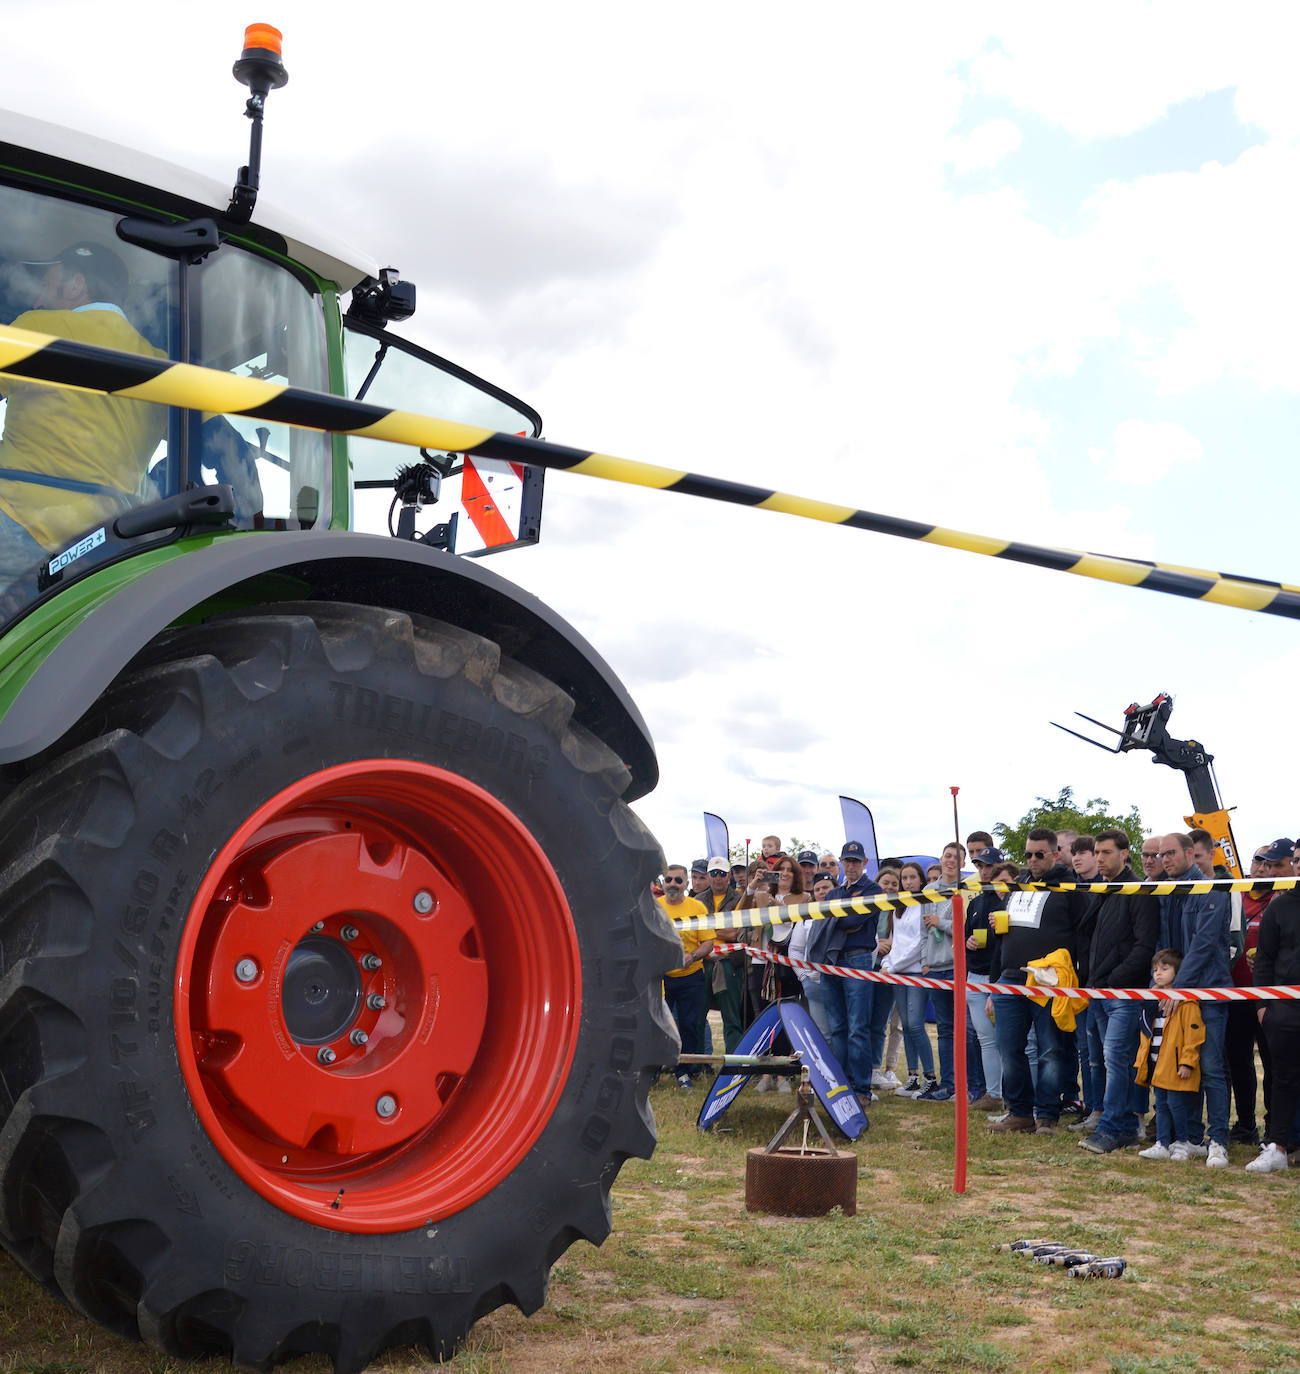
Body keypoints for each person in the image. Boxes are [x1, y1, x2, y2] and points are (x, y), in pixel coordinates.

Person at [0, 242, 166, 582]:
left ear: (76, 285)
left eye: (45, 286)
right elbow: (224, 443)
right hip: (101, 548)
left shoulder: (40, 324)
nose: (38, 299)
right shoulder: (162, 366)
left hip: (17, 524)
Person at [987, 827, 1091, 1134]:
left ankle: (1047, 1115)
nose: (1032, 860)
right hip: (1010, 978)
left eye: (1039, 854)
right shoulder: (1018, 886)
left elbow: (1082, 931)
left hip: (1048, 980)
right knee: (1009, 1049)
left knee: (1050, 1049)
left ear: (1056, 853)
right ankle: (1019, 1112)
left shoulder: (1070, 886)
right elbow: (1004, 938)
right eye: (1028, 854)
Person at [1077, 829, 1160, 1154]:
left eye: (1106, 852)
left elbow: (1144, 946)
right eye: (1097, 852)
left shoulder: (1138, 891)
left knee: (1117, 1061)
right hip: (1099, 992)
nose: (1099, 858)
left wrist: (1112, 981)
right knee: (1110, 1061)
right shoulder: (1105, 890)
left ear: (1125, 853)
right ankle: (1122, 1126)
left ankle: (1113, 1129)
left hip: (1123, 994)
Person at [1158, 832, 1232, 1167]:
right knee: (1182, 1069)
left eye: (1171, 853)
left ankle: (1219, 1140)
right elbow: (1167, 946)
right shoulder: (1169, 892)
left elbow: (1202, 945)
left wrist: (1179, 988)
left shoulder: (1209, 889)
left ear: (1191, 853)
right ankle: (1189, 1138)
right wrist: (1162, 982)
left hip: (1207, 992)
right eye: (1162, 855)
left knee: (1212, 1069)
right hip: (1179, 993)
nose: (1165, 860)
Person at [804, 840, 881, 1107]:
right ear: (841, 863)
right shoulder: (836, 893)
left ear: (865, 863)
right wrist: (841, 919)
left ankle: (862, 1088)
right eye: (847, 861)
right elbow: (839, 921)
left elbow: (851, 921)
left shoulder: (874, 890)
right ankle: (842, 1083)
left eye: (856, 861)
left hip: (857, 959)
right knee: (837, 1027)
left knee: (857, 1027)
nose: (851, 865)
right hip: (831, 960)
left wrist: (837, 920)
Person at [1245, 881, 1300, 1172]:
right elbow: (1264, 958)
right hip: (1284, 1009)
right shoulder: (1279, 906)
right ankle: (1278, 1148)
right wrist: (1263, 1007)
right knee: (1283, 1079)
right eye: (1298, 860)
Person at [1135, 949, 1207, 1161]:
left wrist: (1187, 1062)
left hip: (1175, 1067)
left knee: (1176, 1105)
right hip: (1158, 1066)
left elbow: (1194, 1036)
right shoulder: (1154, 1002)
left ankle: (1183, 1143)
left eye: (1165, 969)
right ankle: (1162, 1143)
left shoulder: (1187, 1003)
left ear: (1179, 971)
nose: (1158, 973)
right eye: (1155, 969)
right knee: (1161, 1106)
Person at [657, 866, 713, 1086]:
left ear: (686, 884)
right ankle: (654, 1069)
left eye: (678, 880)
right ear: (663, 883)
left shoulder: (697, 907)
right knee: (659, 1024)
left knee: (690, 1024)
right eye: (668, 879)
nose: (672, 884)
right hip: (659, 976)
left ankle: (684, 1071)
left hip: (691, 976)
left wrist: (694, 956)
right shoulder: (654, 907)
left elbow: (708, 942)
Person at [884, 860, 936, 1097]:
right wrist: (887, 964)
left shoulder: (925, 904)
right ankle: (913, 1077)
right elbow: (895, 941)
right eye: (904, 878)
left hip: (915, 973)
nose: (907, 882)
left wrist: (893, 966)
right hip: (897, 974)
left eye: (912, 877)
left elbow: (918, 944)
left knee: (916, 1025)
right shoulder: (899, 907)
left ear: (921, 880)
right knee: (906, 1024)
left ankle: (931, 1078)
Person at [916, 842, 959, 1101]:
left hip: (957, 967)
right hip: (934, 967)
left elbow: (964, 928)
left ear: (962, 863)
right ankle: (948, 1083)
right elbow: (923, 931)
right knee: (944, 1030)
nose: (951, 861)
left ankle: (968, 1084)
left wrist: (941, 922)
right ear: (941, 858)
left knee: (965, 1029)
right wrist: (924, 961)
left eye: (956, 857)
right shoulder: (929, 891)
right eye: (948, 856)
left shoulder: (965, 889)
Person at [964, 846, 1006, 1110]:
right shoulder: (976, 901)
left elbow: (1007, 939)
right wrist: (968, 940)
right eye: (980, 866)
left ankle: (1007, 1093)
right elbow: (966, 932)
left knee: (1006, 1040)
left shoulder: (1007, 899)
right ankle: (994, 1093)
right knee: (986, 1039)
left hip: (998, 976)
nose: (984, 871)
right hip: (975, 975)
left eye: (988, 866)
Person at [698, 858, 745, 1053]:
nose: (718, 878)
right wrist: (721, 931)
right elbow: (694, 933)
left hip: (729, 963)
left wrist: (707, 930)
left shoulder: (740, 900)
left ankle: (733, 1064)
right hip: (702, 962)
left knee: (732, 1017)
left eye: (723, 873)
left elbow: (738, 933)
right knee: (697, 1017)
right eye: (714, 873)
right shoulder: (698, 900)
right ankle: (698, 1064)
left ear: (729, 876)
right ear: (708, 876)